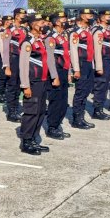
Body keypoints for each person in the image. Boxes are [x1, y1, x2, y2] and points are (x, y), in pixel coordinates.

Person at [19, 15, 59, 155]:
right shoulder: (28, 42)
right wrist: (25, 86)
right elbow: (23, 66)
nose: (45, 24)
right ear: (34, 24)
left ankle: (34, 139)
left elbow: (48, 59)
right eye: (42, 22)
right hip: (32, 82)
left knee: (41, 111)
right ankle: (26, 141)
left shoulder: (41, 41)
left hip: (42, 81)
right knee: (31, 112)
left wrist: (53, 77)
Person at [69, 9, 97, 129]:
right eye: (88, 15)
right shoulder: (76, 33)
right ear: (82, 16)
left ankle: (81, 116)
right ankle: (77, 118)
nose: (91, 17)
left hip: (89, 64)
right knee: (80, 92)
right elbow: (74, 51)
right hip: (81, 65)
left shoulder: (88, 31)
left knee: (86, 90)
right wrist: (76, 69)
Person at [45, 12, 71, 140]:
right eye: (62, 19)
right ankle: (52, 127)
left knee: (63, 101)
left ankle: (58, 124)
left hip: (64, 71)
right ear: (56, 22)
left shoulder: (62, 36)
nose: (65, 21)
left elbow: (66, 55)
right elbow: (50, 58)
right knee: (55, 101)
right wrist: (54, 76)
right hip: (56, 72)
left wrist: (69, 72)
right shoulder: (51, 38)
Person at [1, 8, 27, 123]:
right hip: (13, 60)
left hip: (23, 60)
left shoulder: (24, 29)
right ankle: (11, 112)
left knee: (19, 86)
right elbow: (6, 49)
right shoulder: (9, 30)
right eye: (22, 14)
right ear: (16, 16)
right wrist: (6, 65)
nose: (24, 16)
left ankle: (16, 109)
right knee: (12, 86)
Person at [90, 10, 110, 121]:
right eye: (108, 16)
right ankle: (97, 111)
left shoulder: (107, 31)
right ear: (101, 18)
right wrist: (99, 67)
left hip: (108, 60)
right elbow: (97, 50)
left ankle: (100, 108)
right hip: (102, 61)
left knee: (105, 86)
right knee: (101, 85)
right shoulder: (98, 31)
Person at [0, 15, 12, 104]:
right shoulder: (2, 33)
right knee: (2, 77)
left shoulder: (9, 31)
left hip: (9, 56)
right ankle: (0, 95)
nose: (11, 22)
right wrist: (4, 60)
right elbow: (2, 48)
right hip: (3, 57)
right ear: (6, 22)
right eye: (9, 21)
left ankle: (5, 92)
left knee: (7, 77)